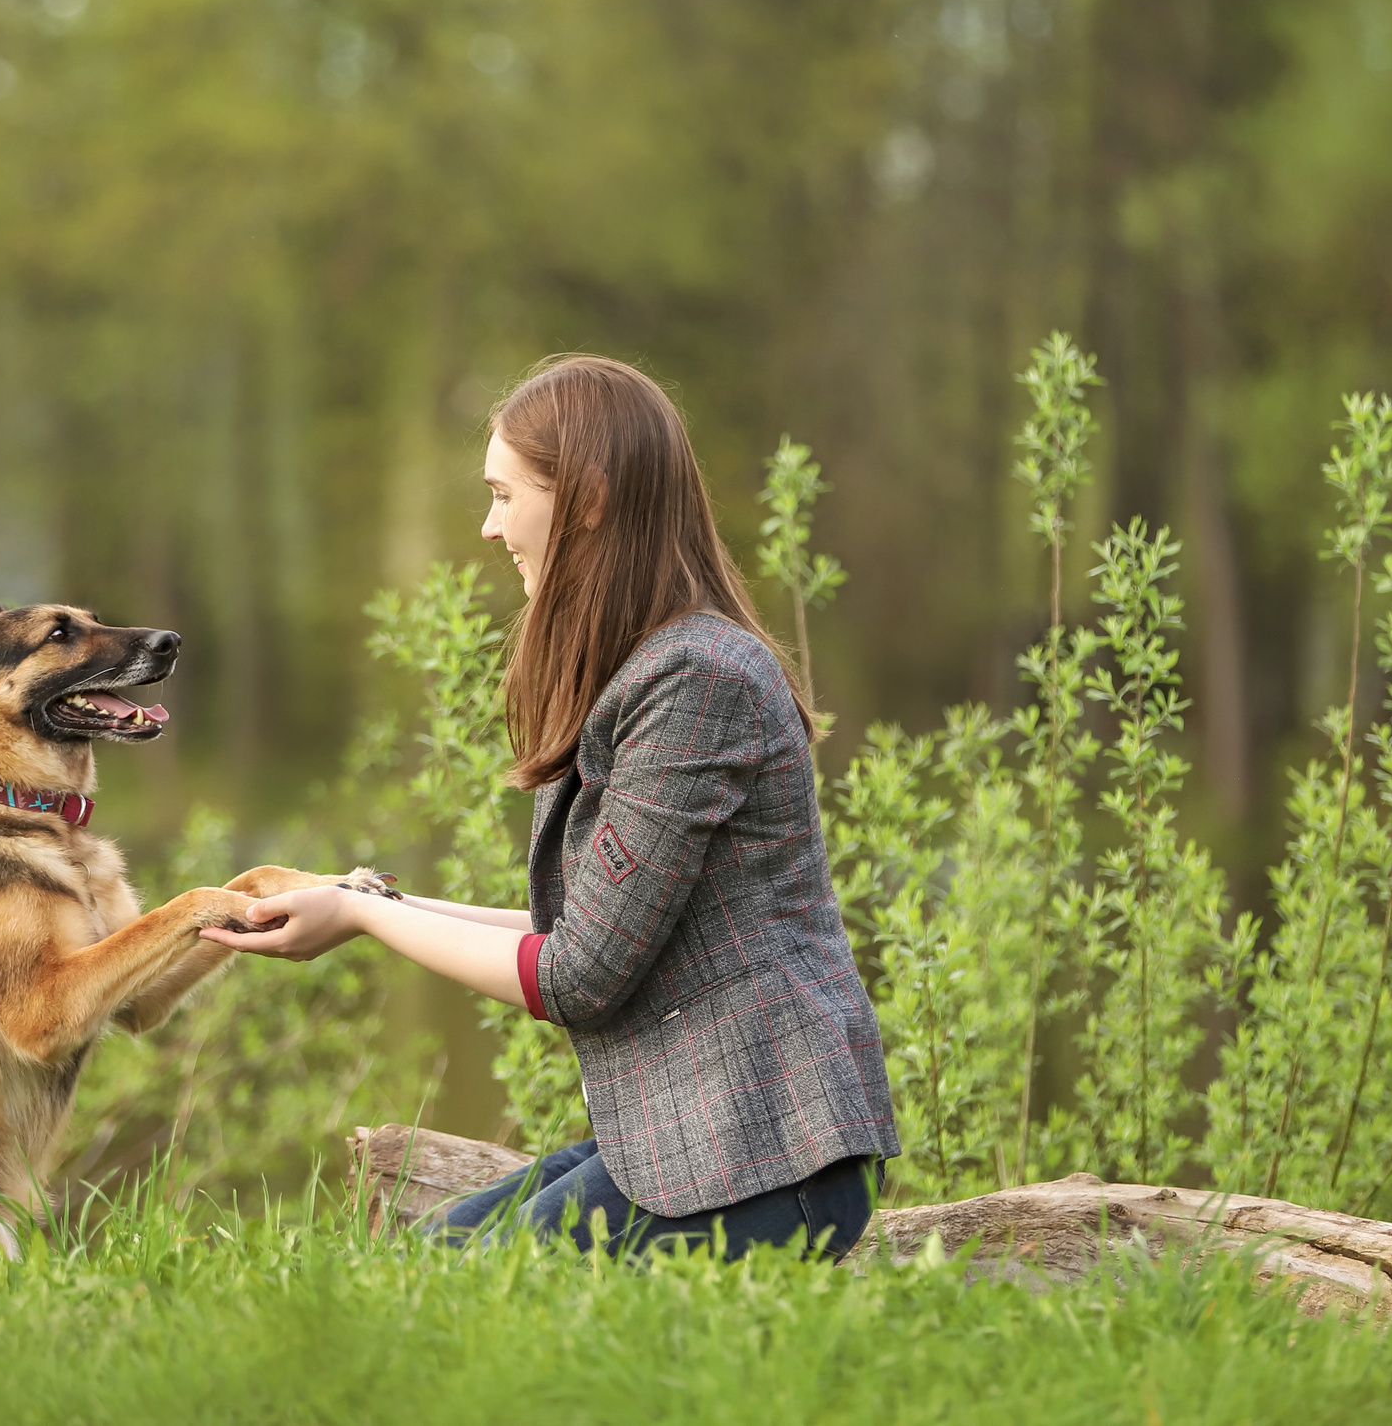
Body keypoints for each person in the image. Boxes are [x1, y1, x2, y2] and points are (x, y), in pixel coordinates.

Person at [202, 354, 899, 1259]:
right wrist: (362, 898)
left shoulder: (699, 679)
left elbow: (577, 974)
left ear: (590, 499)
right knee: (417, 1264)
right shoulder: (649, 666)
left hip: (773, 1156)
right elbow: (578, 930)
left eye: (504, 495)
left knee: (467, 1291)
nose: (489, 527)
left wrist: (364, 918)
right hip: (692, 1142)